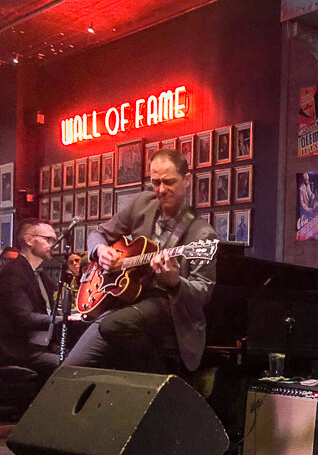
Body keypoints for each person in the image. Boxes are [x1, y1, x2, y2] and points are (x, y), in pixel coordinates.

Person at [62, 149, 216, 374]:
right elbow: (98, 233)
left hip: (167, 305)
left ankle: (162, 383)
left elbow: (204, 291)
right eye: (156, 182)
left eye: (169, 182)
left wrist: (175, 281)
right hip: (124, 300)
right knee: (69, 369)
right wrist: (100, 250)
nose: (161, 190)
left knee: (114, 325)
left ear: (187, 180)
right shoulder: (143, 202)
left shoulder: (201, 233)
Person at [0, 219, 62, 379]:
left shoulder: (40, 274)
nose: (53, 245)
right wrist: (63, 318)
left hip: (39, 345)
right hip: (17, 349)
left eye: (54, 240)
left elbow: (48, 309)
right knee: (69, 365)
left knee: (82, 358)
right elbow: (24, 318)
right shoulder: (12, 272)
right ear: (28, 240)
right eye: (48, 239)